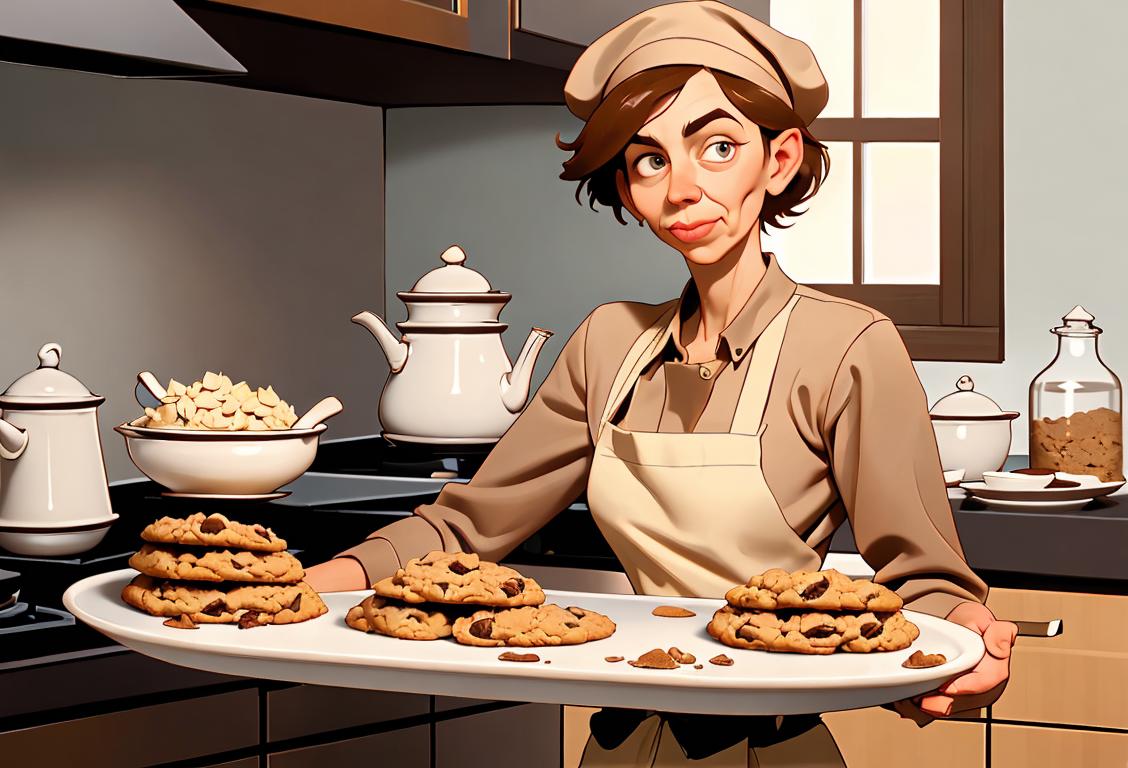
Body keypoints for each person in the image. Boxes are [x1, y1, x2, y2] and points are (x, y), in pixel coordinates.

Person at [305, 2, 1016, 764]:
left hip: (766, 748)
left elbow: (923, 573)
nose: (681, 189)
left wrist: (966, 636)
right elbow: (467, 527)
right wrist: (320, 584)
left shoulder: (847, 346)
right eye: (649, 159)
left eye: (717, 147)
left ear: (779, 160)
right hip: (618, 739)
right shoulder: (609, 341)